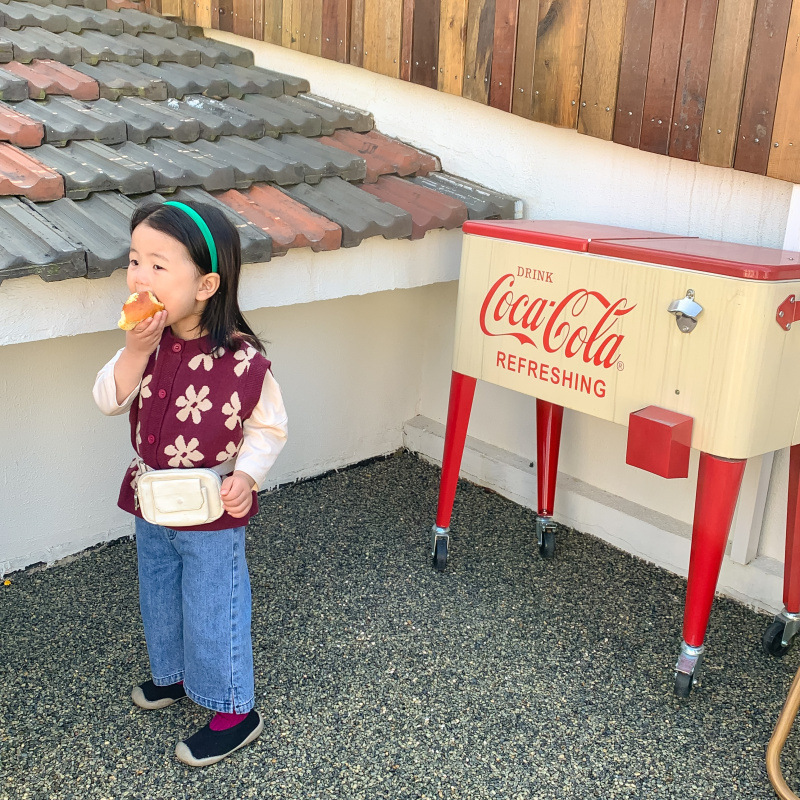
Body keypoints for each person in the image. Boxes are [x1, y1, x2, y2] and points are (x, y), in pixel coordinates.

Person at [93, 200, 288, 767]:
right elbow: (108, 399)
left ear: (205, 285)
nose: (139, 276)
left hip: (210, 504)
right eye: (135, 260)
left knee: (211, 603)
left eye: (158, 265)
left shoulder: (243, 360)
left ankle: (234, 709)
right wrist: (134, 351)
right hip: (150, 497)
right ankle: (174, 674)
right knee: (159, 591)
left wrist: (247, 475)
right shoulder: (144, 342)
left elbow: (269, 427)